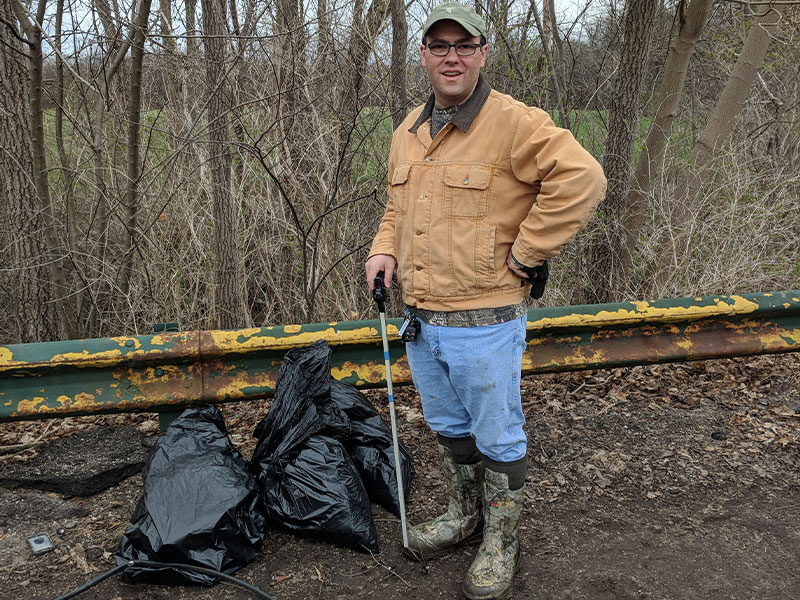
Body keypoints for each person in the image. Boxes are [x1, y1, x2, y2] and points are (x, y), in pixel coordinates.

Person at [365, 3, 606, 598]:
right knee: (450, 428)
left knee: (498, 437)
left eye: (463, 46)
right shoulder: (408, 131)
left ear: (481, 54)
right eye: (439, 45)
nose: (451, 56)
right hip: (421, 317)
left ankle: (502, 540)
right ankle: (463, 515)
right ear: (422, 54)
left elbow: (583, 179)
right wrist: (382, 250)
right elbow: (399, 208)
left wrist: (528, 255)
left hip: (486, 319)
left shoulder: (514, 123)